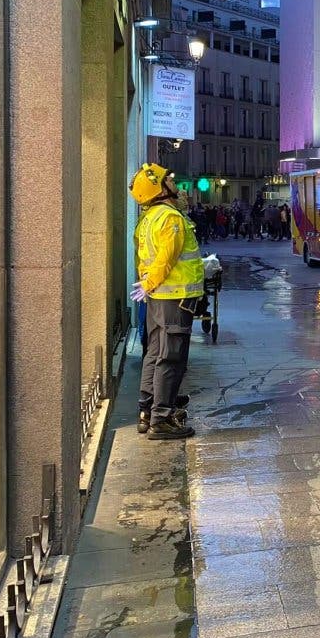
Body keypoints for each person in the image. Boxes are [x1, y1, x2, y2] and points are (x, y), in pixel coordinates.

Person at [129, 162, 202, 440]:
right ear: (159, 189)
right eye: (168, 180)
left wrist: (148, 286)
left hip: (158, 297)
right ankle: (163, 418)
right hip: (175, 297)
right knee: (171, 357)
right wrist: (149, 283)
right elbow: (166, 259)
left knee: (155, 352)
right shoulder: (170, 218)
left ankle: (147, 409)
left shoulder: (147, 219)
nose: (173, 183)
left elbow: (142, 258)